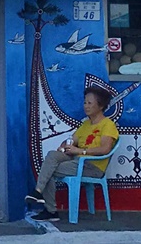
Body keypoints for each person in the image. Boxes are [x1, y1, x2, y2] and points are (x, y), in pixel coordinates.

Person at [27, 86, 119, 222]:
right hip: (77, 161)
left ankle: (50, 209)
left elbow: (105, 149)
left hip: (92, 166)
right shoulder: (86, 124)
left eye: (89, 103)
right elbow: (73, 140)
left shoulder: (107, 125)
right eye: (85, 102)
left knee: (49, 171)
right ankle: (39, 192)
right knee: (52, 155)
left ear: (101, 106)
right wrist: (65, 146)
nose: (86, 106)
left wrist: (80, 151)